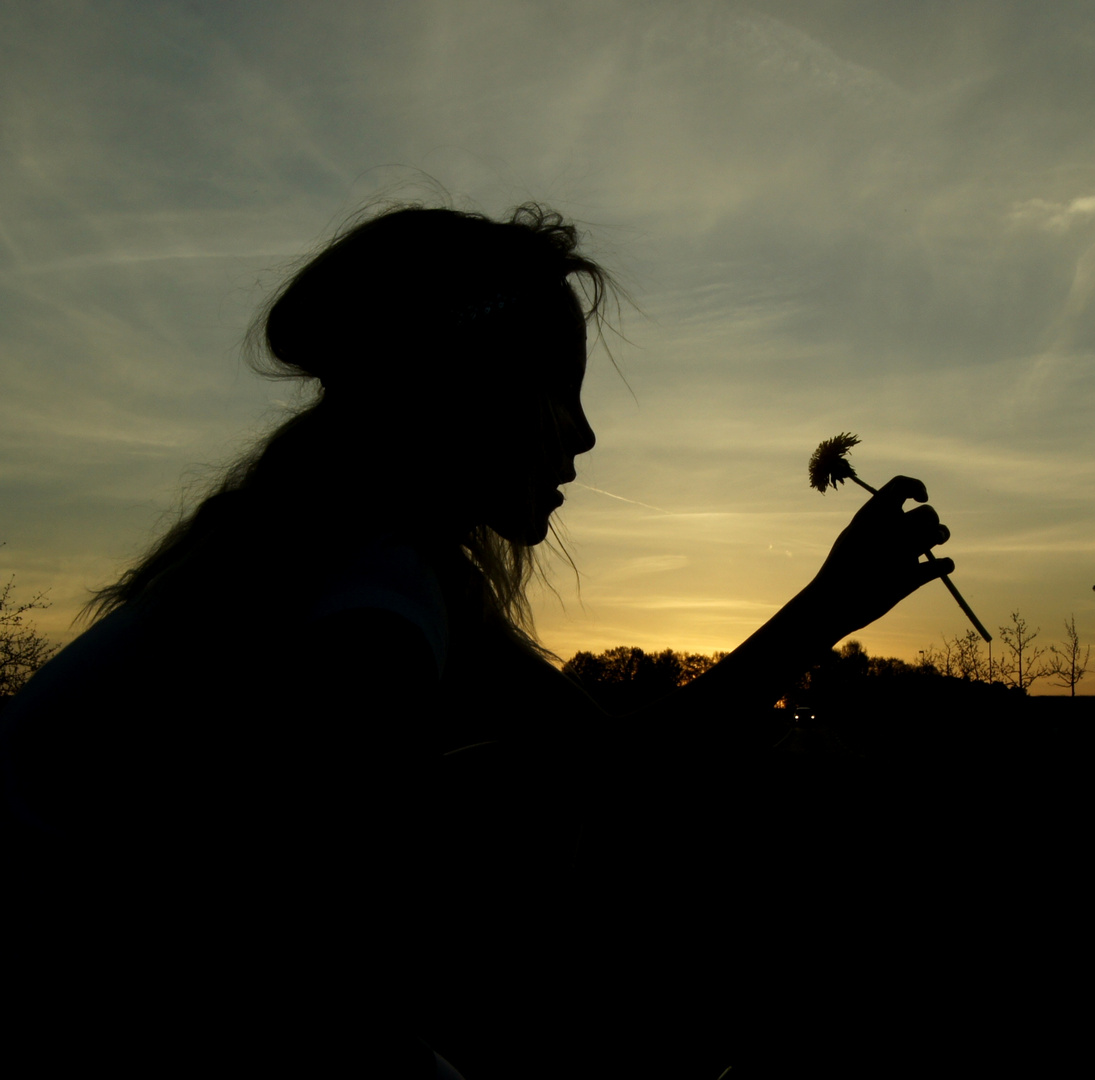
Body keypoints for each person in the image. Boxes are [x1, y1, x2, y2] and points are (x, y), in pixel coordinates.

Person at [0, 202, 955, 1077]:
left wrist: (830, 602)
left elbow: (617, 768)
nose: (582, 438)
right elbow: (295, 944)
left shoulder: (341, 555)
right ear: (472, 392)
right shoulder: (368, 604)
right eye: (560, 392)